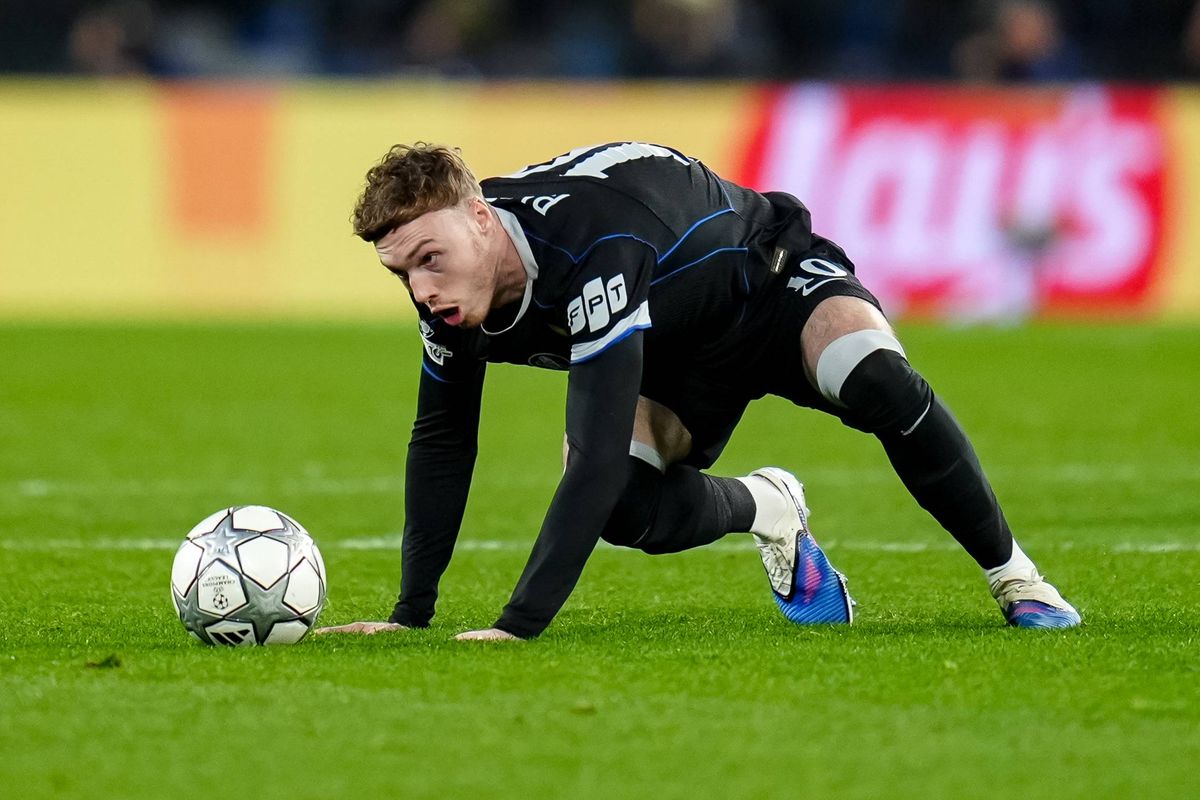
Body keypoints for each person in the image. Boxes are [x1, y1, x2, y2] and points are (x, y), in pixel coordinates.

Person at [316, 141, 1080, 642]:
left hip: (772, 283)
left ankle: (1017, 579)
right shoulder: (453, 300)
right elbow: (443, 438)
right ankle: (770, 507)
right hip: (672, 346)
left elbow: (592, 454)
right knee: (623, 507)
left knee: (873, 375)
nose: (422, 290)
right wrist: (410, 614)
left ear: (481, 219)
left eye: (431, 259)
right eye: (402, 273)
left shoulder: (592, 242)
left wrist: (518, 625)